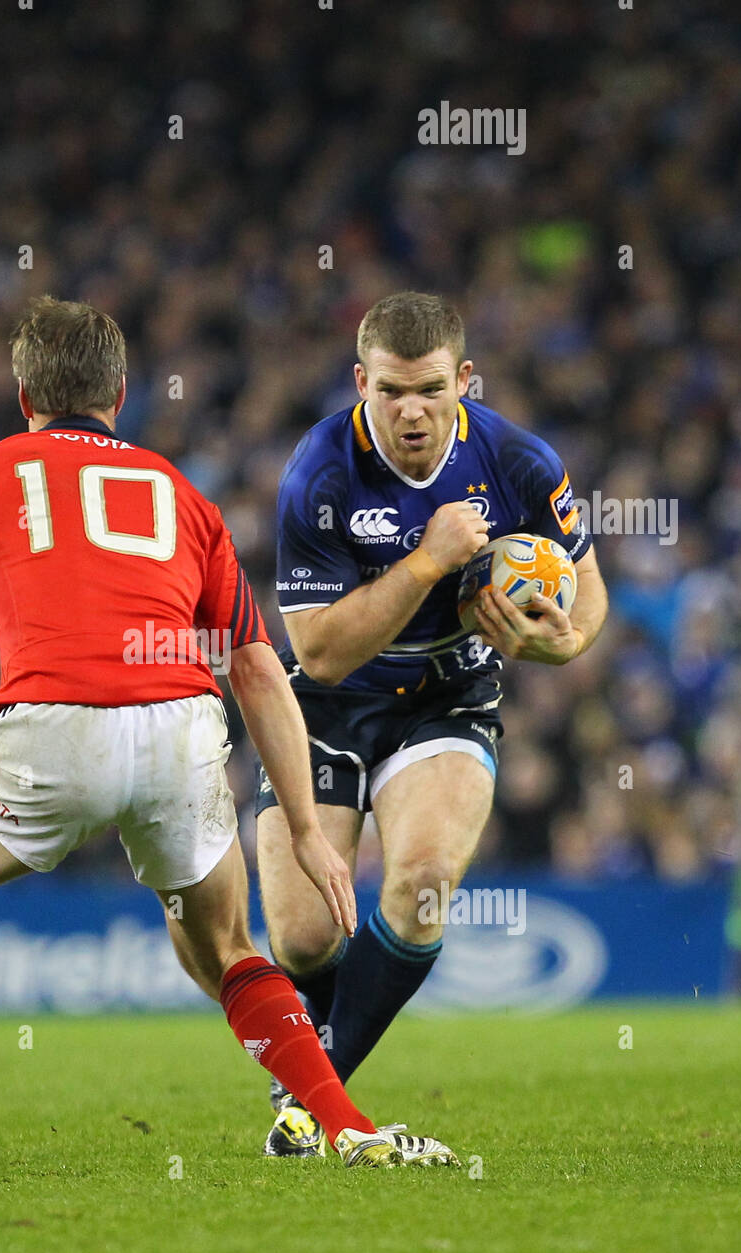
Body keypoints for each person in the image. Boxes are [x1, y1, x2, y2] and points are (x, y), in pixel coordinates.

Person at [0, 295, 460, 1176]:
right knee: (228, 950)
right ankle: (351, 1128)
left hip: (52, 725)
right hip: (180, 727)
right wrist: (309, 832)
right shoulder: (183, 495)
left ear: (23, 396)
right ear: (121, 394)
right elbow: (255, 669)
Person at [257, 291, 608, 1156]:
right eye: (388, 392)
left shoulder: (519, 462)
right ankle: (317, 1082)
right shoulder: (317, 470)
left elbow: (589, 597)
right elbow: (321, 650)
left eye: (429, 390)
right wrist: (428, 561)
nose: (410, 411)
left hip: (447, 696)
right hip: (328, 706)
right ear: (359, 383)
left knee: (419, 888)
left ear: (464, 380)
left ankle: (312, 1102)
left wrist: (558, 646)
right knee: (303, 939)